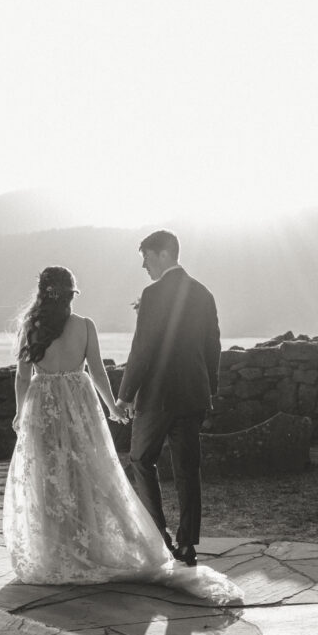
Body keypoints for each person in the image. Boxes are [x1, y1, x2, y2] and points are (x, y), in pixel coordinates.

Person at [2, 265, 242, 605]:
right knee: (88, 475)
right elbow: (98, 371)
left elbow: (22, 379)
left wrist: (19, 411)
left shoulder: (31, 327)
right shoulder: (85, 326)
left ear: (43, 293)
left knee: (49, 477)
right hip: (80, 407)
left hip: (42, 409)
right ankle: (90, 546)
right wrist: (114, 408)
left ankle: (57, 553)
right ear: (72, 294)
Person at [115, 230, 220, 568]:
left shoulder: (153, 293)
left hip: (157, 396)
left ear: (162, 254)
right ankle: (187, 544)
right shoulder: (203, 293)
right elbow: (212, 347)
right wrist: (209, 390)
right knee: (188, 469)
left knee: (141, 459)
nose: (144, 265)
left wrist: (126, 394)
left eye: (146, 256)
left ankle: (158, 536)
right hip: (193, 394)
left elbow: (142, 348)